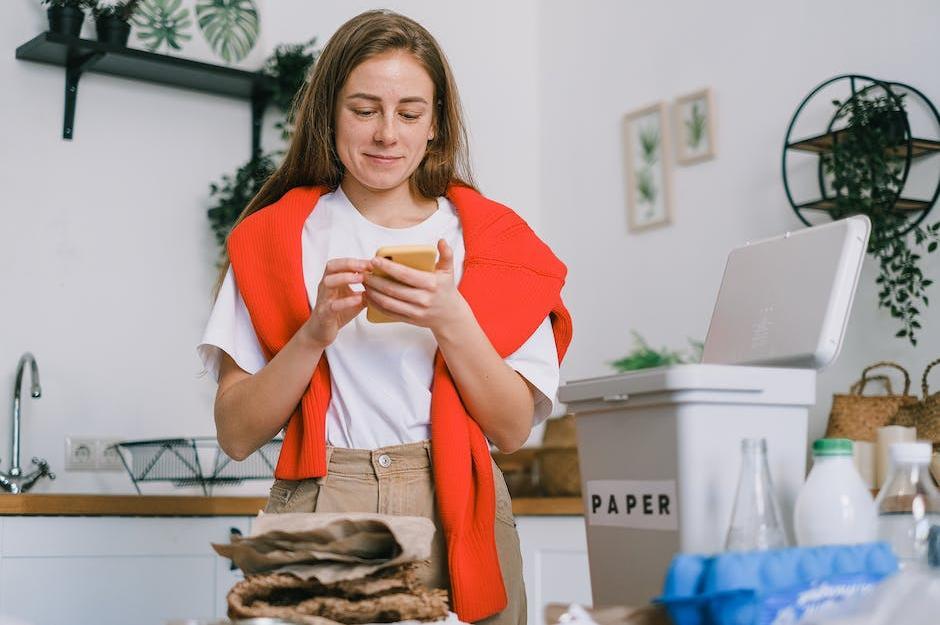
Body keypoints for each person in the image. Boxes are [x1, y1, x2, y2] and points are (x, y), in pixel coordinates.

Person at [197, 10, 572, 625]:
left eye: (409, 112)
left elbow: (509, 430)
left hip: (459, 504)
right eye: (364, 109)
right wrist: (314, 333)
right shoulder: (273, 240)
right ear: (329, 116)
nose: (386, 134)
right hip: (323, 498)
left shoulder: (498, 244)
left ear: (435, 126)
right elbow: (236, 435)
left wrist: (451, 318)